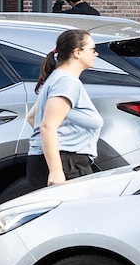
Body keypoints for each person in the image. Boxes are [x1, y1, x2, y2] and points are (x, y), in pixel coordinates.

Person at [27, 28, 105, 191]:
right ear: (77, 52)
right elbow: (47, 126)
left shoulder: (56, 78)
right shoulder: (66, 82)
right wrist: (56, 171)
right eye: (92, 50)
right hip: (67, 163)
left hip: (56, 160)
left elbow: (32, 117)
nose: (96, 54)